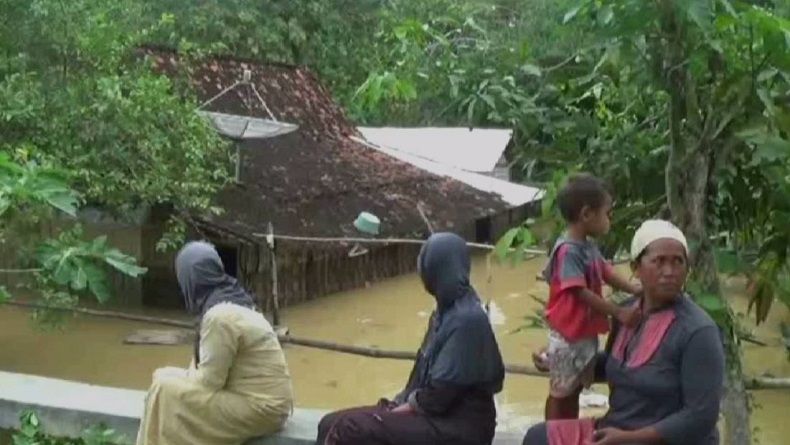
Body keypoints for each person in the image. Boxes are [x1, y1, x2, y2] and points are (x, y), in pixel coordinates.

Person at [524, 219, 725, 445]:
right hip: (616, 429)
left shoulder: (698, 330)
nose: (669, 271)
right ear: (636, 268)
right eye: (659, 261)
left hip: (658, 439)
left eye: (678, 262)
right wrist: (563, 358)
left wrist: (631, 438)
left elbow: (701, 416)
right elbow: (616, 366)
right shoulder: (626, 312)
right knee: (539, 438)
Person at [315, 232, 505, 445]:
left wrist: (396, 413)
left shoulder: (467, 319)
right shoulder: (443, 314)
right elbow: (419, 377)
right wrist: (396, 403)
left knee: (350, 429)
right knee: (328, 423)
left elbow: (438, 396)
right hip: (433, 414)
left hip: (459, 426)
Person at [136, 241, 294, 445]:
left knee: (164, 387)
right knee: (163, 378)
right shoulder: (235, 300)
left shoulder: (219, 316)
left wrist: (173, 379)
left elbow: (210, 381)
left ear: (190, 278)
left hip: (262, 408)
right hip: (266, 404)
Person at [540, 173, 643, 420]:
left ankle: (567, 432)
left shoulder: (587, 246)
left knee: (572, 388)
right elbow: (578, 291)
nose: (609, 220)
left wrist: (635, 289)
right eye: (607, 213)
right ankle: (554, 435)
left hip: (581, 334)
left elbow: (605, 271)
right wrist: (617, 311)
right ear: (587, 214)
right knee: (561, 391)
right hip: (569, 335)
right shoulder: (568, 251)